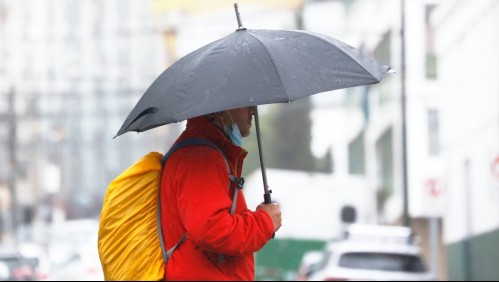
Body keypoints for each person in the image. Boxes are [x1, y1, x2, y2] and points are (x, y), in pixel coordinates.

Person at [160, 106, 282, 281]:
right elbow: (211, 230)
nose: (253, 112)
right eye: (247, 104)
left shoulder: (205, 151)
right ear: (221, 111)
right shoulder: (201, 157)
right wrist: (264, 222)